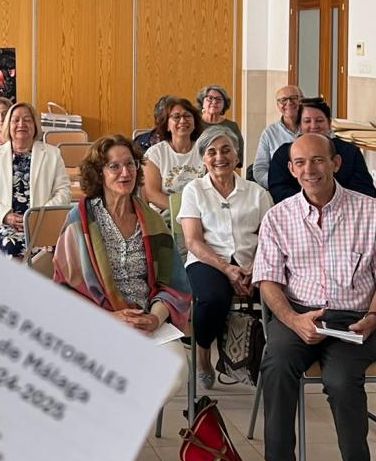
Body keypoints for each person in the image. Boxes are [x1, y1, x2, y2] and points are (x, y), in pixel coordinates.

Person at [252, 132, 376, 461]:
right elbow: (268, 281)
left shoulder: (372, 212)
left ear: (335, 163)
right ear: (291, 170)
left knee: (342, 382)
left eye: (318, 160)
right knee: (276, 365)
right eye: (301, 163)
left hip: (357, 318)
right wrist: (291, 318)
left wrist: (373, 318)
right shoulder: (278, 216)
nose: (311, 170)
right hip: (298, 312)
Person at [51, 135, 190, 337]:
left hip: (147, 321)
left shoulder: (153, 222)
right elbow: (65, 290)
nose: (125, 173)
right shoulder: (79, 222)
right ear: (100, 173)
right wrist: (112, 318)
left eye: (130, 164)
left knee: (177, 366)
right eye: (114, 167)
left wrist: (154, 319)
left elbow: (173, 285)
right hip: (96, 321)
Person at [178, 125, 272, 392]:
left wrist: (253, 268)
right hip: (207, 261)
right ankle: (204, 354)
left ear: (237, 155)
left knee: (277, 297)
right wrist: (228, 270)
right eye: (212, 152)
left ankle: (265, 359)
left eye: (226, 150)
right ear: (204, 159)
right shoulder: (194, 190)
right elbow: (193, 241)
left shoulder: (257, 193)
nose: (220, 157)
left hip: (252, 261)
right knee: (213, 298)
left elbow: (270, 238)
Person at [0, 102, 72, 257]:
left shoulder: (52, 154)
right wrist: (6, 216)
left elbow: (64, 191)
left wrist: (39, 216)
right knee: (12, 246)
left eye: (27, 120)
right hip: (5, 222)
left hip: (42, 223)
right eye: (16, 120)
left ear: (35, 125)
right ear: (8, 125)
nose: (21, 124)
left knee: (59, 248)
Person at [265, 98, 376, 203]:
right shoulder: (284, 154)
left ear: (329, 123)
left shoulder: (349, 151)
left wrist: (331, 201)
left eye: (319, 120)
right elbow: (278, 190)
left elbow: (366, 190)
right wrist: (311, 202)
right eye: (307, 121)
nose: (314, 126)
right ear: (299, 125)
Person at [142, 96, 205, 214]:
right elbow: (152, 194)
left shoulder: (205, 150)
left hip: (200, 213)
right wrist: (185, 211)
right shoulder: (155, 154)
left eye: (187, 116)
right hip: (166, 216)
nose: (183, 121)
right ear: (167, 125)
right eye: (176, 117)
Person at [253, 85, 302, 183]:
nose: (289, 102)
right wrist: (276, 184)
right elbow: (259, 169)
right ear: (277, 105)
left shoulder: (313, 128)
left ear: (301, 101)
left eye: (293, 98)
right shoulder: (269, 133)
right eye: (283, 100)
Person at [195, 83, 243, 161]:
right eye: (210, 98)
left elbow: (239, 156)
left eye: (219, 99)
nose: (214, 102)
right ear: (202, 102)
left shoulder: (232, 126)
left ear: (224, 104)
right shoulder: (193, 124)